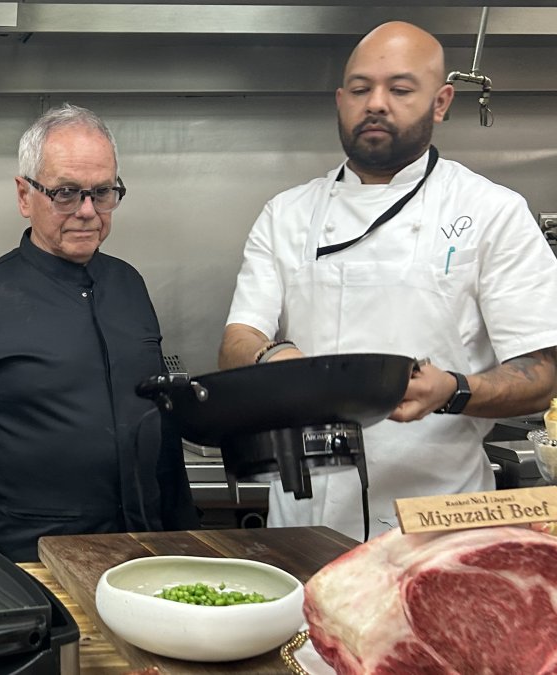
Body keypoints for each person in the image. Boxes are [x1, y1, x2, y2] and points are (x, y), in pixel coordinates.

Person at [219, 21, 557, 541]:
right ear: (340, 99)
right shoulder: (286, 214)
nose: (375, 103)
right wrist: (271, 358)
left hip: (435, 525)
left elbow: (543, 375)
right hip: (302, 522)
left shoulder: (493, 212)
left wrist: (455, 391)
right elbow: (238, 341)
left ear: (441, 102)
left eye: (400, 90)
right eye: (360, 89)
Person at [0, 104, 198, 562]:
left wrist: (185, 543)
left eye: (102, 192)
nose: (87, 211)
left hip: (143, 552)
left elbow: (161, 431)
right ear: (25, 196)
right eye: (66, 193)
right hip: (33, 562)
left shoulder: (130, 286)